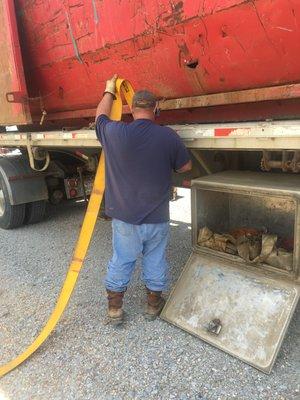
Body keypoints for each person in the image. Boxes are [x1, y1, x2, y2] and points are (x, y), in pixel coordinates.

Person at [95, 75, 192, 324]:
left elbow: (100, 118)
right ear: (156, 109)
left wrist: (109, 91)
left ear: (131, 109)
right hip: (157, 217)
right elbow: (186, 166)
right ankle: (153, 306)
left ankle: (115, 310)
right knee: (156, 259)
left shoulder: (115, 133)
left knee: (122, 259)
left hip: (125, 217)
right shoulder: (168, 136)